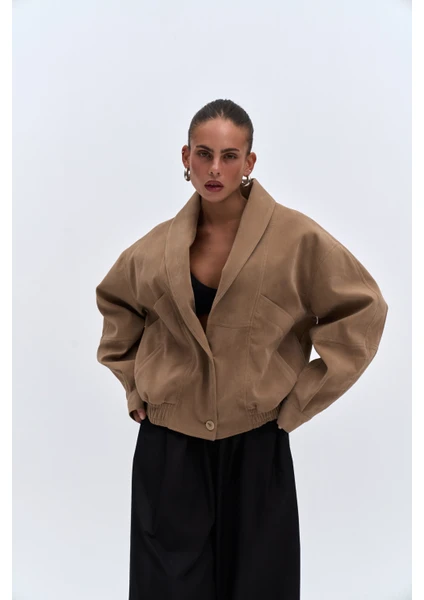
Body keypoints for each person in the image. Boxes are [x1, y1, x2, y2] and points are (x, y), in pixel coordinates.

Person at [95, 99, 388, 600]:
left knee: (260, 585)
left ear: (249, 162)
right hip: (169, 448)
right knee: (166, 588)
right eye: (204, 154)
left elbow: (363, 309)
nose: (215, 168)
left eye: (229, 156)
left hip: (256, 445)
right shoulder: (154, 249)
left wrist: (299, 400)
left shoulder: (296, 239)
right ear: (185, 157)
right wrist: (134, 386)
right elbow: (116, 303)